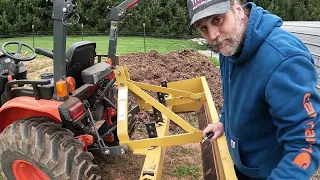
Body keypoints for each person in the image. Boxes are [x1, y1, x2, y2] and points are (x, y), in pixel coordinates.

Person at [187, 0, 320, 179]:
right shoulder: (230, 48)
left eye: (217, 19)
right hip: (243, 164)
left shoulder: (283, 60)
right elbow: (233, 95)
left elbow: (307, 144)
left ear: (237, 8)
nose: (212, 35)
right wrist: (223, 122)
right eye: (203, 28)